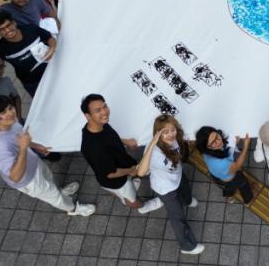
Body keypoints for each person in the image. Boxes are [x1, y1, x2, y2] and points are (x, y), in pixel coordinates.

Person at [0, 95, 95, 216]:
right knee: (54, 197)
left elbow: (21, 139)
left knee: (49, 179)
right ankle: (73, 209)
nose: (10, 113)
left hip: (33, 163)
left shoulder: (11, 123)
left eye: (10, 108)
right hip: (28, 180)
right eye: (3, 112)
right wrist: (24, 148)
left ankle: (60, 192)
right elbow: (15, 177)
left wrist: (36, 146)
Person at [80, 94, 162, 214]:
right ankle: (143, 207)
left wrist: (124, 141)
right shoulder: (94, 148)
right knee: (131, 199)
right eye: (98, 110)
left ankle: (129, 186)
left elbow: (109, 137)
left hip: (122, 165)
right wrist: (131, 170)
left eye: (104, 106)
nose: (104, 112)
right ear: (88, 116)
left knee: (131, 182)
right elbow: (110, 174)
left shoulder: (99, 124)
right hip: (116, 181)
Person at [137, 115, 203, 254]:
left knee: (186, 188)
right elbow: (141, 172)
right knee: (177, 217)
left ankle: (187, 200)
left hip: (177, 175)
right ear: (157, 134)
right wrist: (152, 143)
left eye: (172, 130)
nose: (170, 134)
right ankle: (187, 247)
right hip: (165, 188)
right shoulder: (154, 152)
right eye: (165, 132)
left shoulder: (175, 138)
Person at [0, 11, 56, 97]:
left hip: (53, 69)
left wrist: (52, 48)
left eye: (8, 25)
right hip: (33, 83)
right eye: (2, 29)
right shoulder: (1, 49)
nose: (7, 30)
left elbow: (49, 38)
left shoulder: (31, 28)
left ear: (14, 23)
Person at [195, 126, 255, 204]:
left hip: (218, 176)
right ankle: (248, 199)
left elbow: (224, 150)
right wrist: (246, 146)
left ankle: (230, 198)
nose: (219, 141)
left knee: (228, 187)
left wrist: (233, 144)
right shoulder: (220, 163)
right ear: (207, 147)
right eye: (213, 142)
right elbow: (237, 166)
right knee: (243, 183)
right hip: (231, 178)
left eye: (217, 136)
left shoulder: (205, 152)